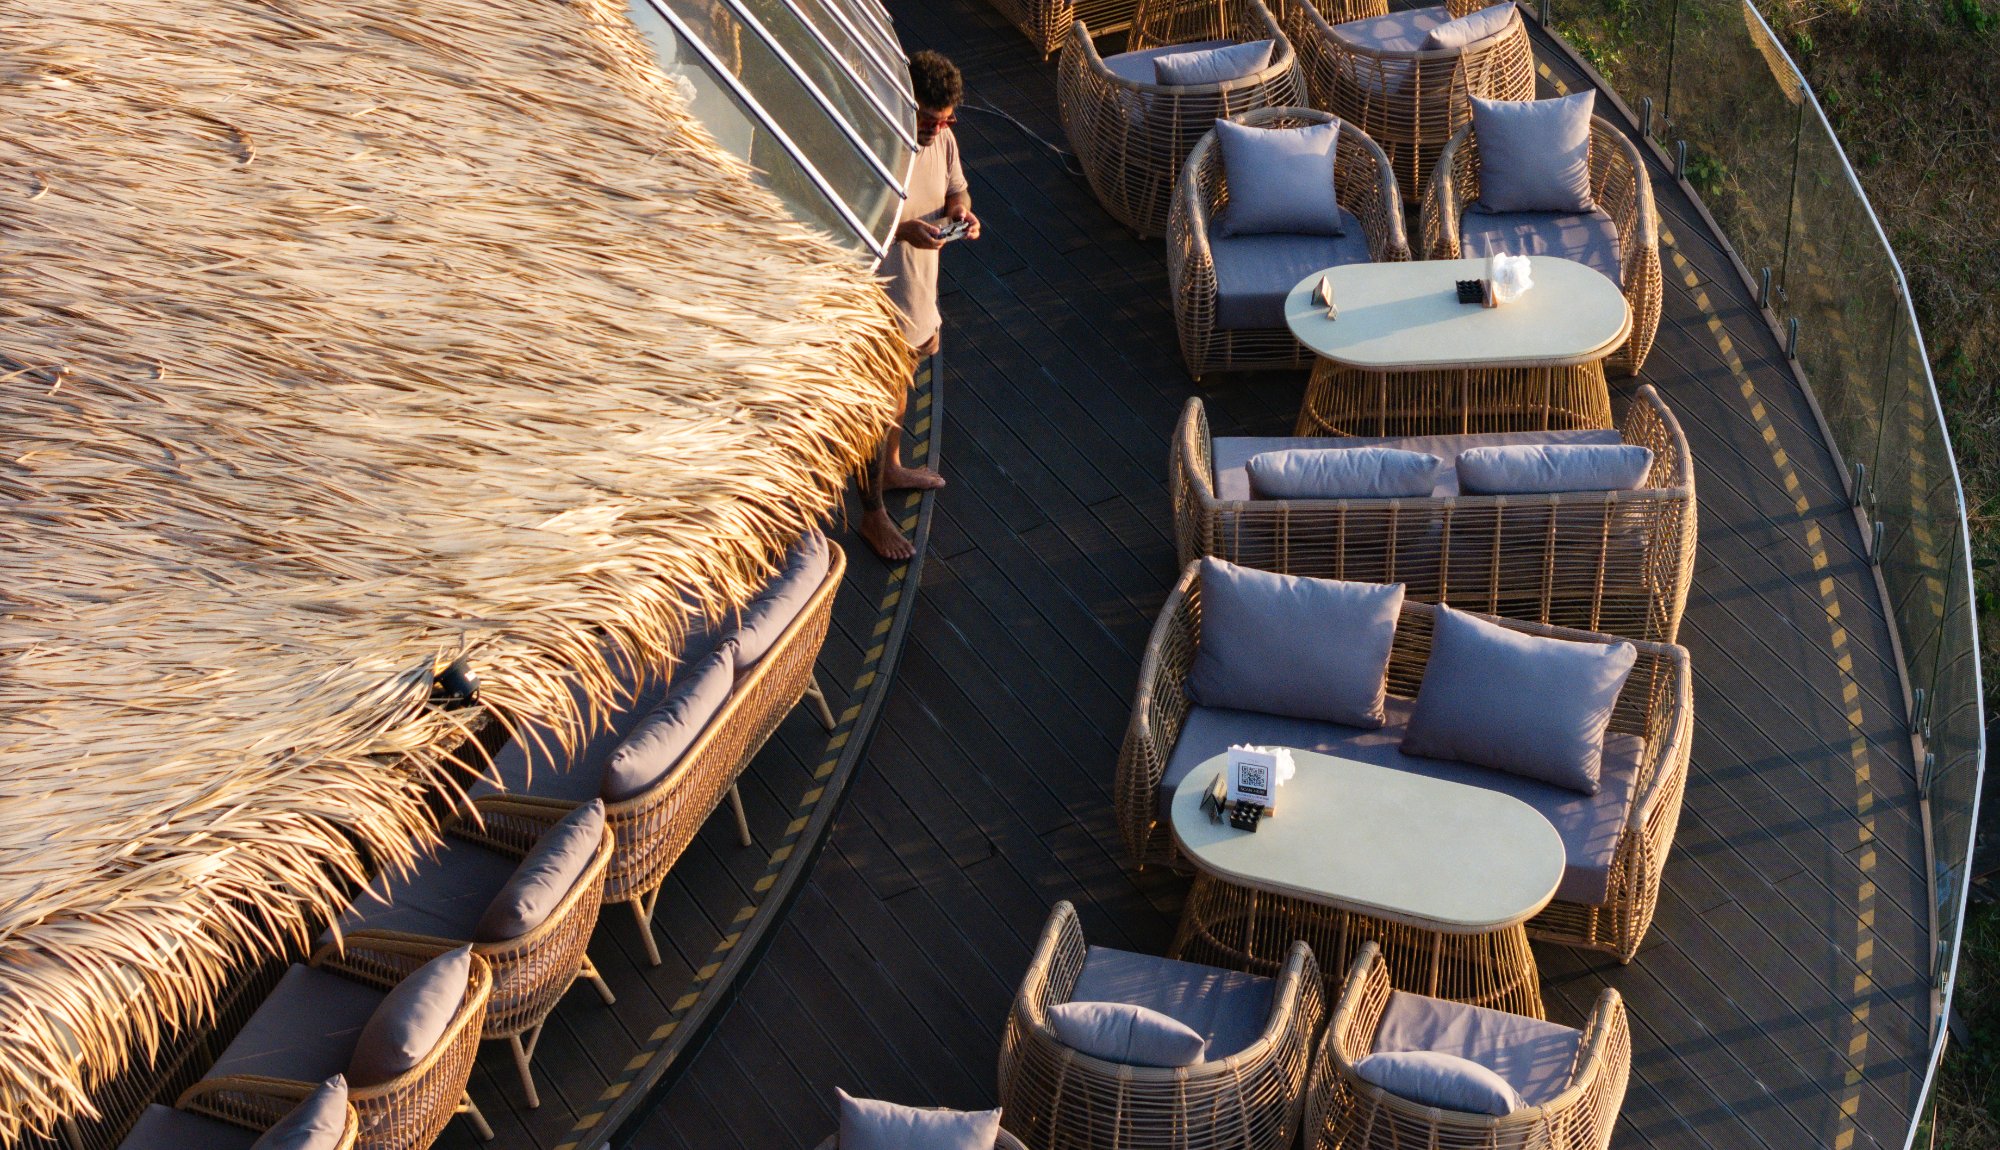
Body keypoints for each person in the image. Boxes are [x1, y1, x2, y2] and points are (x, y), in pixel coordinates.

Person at [863, 49, 979, 561]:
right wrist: (901, 232)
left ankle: (891, 470)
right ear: (906, 101)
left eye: (945, 119)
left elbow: (958, 191)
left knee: (900, 395)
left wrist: (961, 213)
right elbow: (849, 227)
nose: (936, 129)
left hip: (918, 296)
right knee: (872, 412)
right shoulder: (877, 145)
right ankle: (871, 515)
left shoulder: (944, 140)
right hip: (877, 306)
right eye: (929, 119)